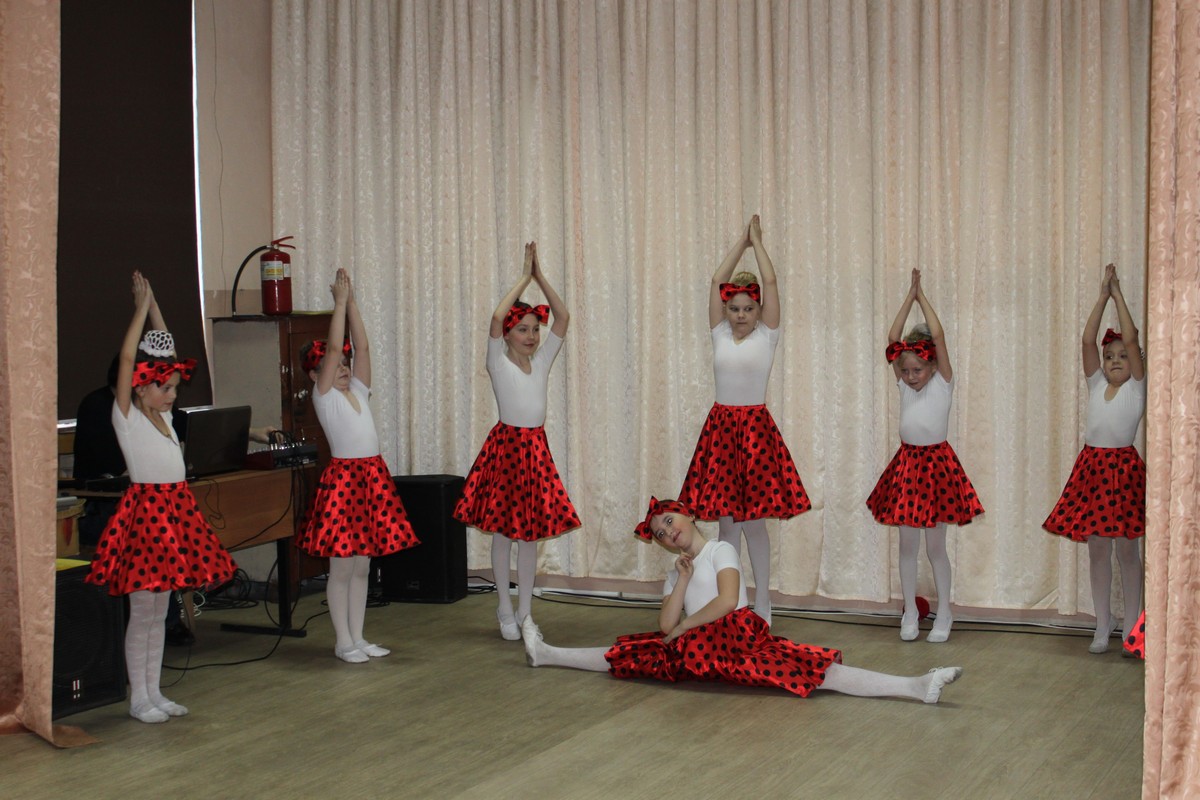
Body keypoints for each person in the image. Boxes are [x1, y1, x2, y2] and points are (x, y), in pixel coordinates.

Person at [522, 498, 963, 704]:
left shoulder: (722, 550)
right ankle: (546, 653)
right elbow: (664, 625)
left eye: (670, 521)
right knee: (627, 652)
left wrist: (683, 627)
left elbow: (727, 600)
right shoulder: (679, 570)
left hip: (735, 641)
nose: (668, 532)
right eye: (660, 533)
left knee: (814, 668)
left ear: (689, 514)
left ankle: (912, 686)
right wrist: (681, 583)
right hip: (696, 648)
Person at [85, 271, 237, 723]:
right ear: (139, 386)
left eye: (174, 387)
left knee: (161, 608)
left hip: (175, 513)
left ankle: (154, 692)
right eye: (164, 387)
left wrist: (155, 307)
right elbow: (129, 356)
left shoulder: (165, 417)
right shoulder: (126, 416)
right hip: (146, 518)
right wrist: (139, 311)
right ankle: (139, 698)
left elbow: (164, 351)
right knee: (144, 610)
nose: (172, 395)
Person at [677, 215, 811, 628]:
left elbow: (770, 281)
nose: (739, 315)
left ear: (758, 310)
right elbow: (717, 278)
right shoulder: (718, 333)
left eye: (748, 308)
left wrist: (758, 243)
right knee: (727, 527)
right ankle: (731, 604)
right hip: (721, 433)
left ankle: (764, 603)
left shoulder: (767, 336)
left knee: (754, 525)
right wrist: (741, 242)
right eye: (734, 308)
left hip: (754, 434)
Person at [454, 242, 581, 639]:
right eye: (522, 329)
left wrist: (540, 277)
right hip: (507, 450)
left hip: (535, 452)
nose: (531, 335)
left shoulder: (541, 362)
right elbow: (495, 316)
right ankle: (504, 608)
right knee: (503, 531)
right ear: (507, 335)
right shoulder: (497, 361)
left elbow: (563, 316)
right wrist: (524, 278)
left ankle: (526, 612)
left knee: (530, 535)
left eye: (535, 329)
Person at [295, 268, 419, 663]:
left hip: (371, 478)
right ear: (315, 376)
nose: (344, 366)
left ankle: (359, 636)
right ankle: (343, 641)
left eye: (345, 364)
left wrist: (353, 304)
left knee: (363, 566)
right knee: (343, 568)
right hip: (344, 483)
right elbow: (335, 348)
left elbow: (360, 348)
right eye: (335, 365)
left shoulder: (359, 392)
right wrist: (338, 304)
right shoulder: (324, 397)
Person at [867, 269, 983, 643]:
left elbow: (939, 336)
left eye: (918, 369)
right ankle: (910, 613)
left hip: (936, 467)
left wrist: (923, 298)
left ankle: (945, 613)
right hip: (906, 466)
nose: (911, 376)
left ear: (932, 365)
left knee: (935, 546)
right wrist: (908, 297)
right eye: (905, 370)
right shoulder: (904, 384)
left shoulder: (943, 382)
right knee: (907, 545)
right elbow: (892, 338)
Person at [1043, 264, 1145, 654]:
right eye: (1110, 356)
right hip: (1094, 470)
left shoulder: (1137, 387)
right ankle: (1104, 623)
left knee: (1128, 550)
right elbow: (1087, 340)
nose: (1116, 360)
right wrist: (1102, 296)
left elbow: (1132, 338)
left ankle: (1133, 625)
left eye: (1123, 356)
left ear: (1135, 361)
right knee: (1098, 547)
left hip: (1124, 471)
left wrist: (1118, 295)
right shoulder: (1096, 382)